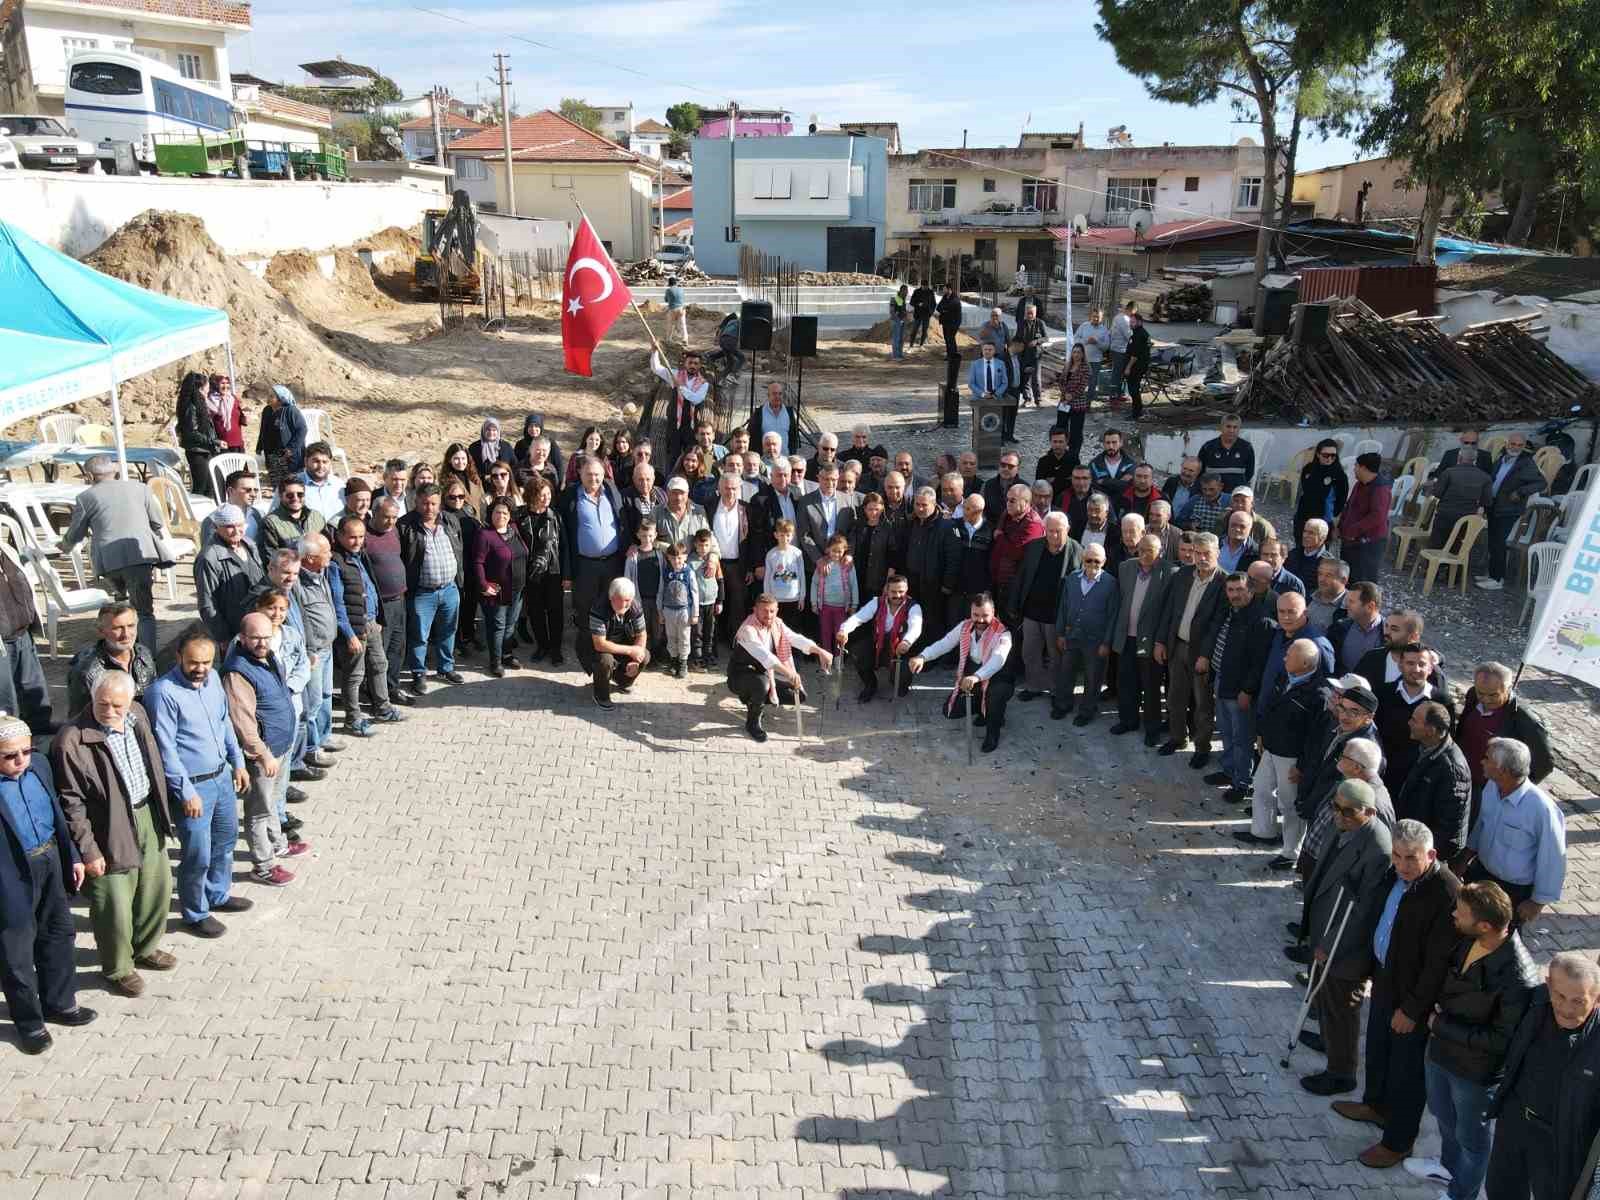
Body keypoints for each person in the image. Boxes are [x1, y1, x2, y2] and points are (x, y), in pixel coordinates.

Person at [1334, 820, 1461, 1169]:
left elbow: (1437, 965)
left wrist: (1412, 1009)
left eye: (1411, 858)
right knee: (1378, 1048)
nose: (1402, 865)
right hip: (1385, 980)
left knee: (1407, 1072)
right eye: (1397, 855)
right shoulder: (1396, 875)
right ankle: (1376, 1105)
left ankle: (1398, 1141)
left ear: (1431, 855)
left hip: (1412, 997)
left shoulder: (1446, 892)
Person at [1409, 880, 1539, 1196]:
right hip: (1441, 1054)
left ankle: (1460, 1193)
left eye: (1461, 912)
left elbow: (1501, 1041)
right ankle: (1448, 1168)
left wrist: (1439, 1024)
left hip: (1474, 1074)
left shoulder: (1518, 978)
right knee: (1443, 1117)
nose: (1454, 914)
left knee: (1473, 1143)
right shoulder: (1468, 938)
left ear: (1484, 925)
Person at [52, 670, 174, 998]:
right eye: (102, 703)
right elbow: (71, 803)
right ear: (92, 698)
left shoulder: (137, 715)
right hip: (106, 826)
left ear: (130, 701)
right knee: (113, 904)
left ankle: (146, 947)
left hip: (146, 812)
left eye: (117, 705)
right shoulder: (71, 740)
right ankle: (118, 968)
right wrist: (89, 851)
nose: (109, 711)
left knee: (157, 887)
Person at [1295, 778, 1395, 1096]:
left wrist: (1328, 944)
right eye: (1336, 808)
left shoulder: (1378, 849)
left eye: (1348, 811)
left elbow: (1363, 912)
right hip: (1325, 924)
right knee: (1326, 997)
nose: (1339, 815)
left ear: (1369, 811)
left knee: (1341, 1005)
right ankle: (1328, 1040)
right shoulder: (1343, 825)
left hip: (1346, 944)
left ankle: (1341, 1073)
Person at [0, 715, 90, 1053]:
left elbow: (57, 814)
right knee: (17, 953)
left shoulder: (39, 765)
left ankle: (60, 1003)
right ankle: (30, 1023)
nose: (21, 760)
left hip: (50, 859)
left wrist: (73, 857)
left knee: (58, 933)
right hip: (10, 874)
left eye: (26, 751)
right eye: (10, 755)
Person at [1484, 952, 1600, 1200]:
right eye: (1560, 996)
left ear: (1597, 999)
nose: (1567, 1009)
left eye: (1578, 1001)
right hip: (1514, 1121)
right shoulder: (1533, 1003)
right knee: (1499, 1190)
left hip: (1559, 1140)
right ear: (1548, 985)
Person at [223, 612, 309, 888]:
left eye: (266, 637)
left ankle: (277, 844)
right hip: (264, 754)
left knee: (271, 802)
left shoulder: (268, 656)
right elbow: (243, 722)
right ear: (242, 637)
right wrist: (263, 754)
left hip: (280, 745)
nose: (262, 643)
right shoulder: (237, 671)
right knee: (258, 810)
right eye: (255, 638)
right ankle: (263, 866)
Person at [59, 456, 166, 655]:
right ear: (114, 471)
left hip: (109, 562)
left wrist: (62, 546)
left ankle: (122, 652)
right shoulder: (140, 488)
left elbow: (75, 535)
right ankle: (148, 657)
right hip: (139, 557)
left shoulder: (86, 497)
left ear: (89, 475)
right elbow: (157, 523)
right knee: (144, 612)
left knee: (120, 607)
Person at [1461, 737, 1566, 926]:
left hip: (1513, 891)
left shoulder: (1542, 809)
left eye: (1487, 758)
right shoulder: (1492, 787)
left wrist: (1537, 902)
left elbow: (1552, 858)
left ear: (1503, 771)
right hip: (1482, 875)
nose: (1482, 762)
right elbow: (1481, 825)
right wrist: (1465, 856)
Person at [1240, 638, 1329, 852]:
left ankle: (1290, 852)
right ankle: (1263, 832)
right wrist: (1262, 734)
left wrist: (1302, 766)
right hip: (1271, 749)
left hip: (1292, 758)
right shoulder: (1284, 677)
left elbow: (1315, 737)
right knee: (1261, 789)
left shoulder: (1318, 694)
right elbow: (1270, 707)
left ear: (1305, 664)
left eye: (1290, 656)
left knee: (1289, 805)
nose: (1284, 658)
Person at [908, 593, 1015, 754]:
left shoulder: (1004, 633)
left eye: (985, 615)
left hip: (998, 678)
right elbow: (945, 643)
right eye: (976, 615)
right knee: (951, 711)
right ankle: (983, 709)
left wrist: (976, 677)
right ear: (971, 613)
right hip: (975, 677)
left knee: (995, 696)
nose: (980, 620)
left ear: (993, 613)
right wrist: (923, 656)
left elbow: (997, 661)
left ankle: (993, 731)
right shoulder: (965, 626)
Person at [1156, 531, 1224, 767]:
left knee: (1203, 705)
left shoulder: (1223, 582)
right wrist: (1160, 641)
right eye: (1198, 553)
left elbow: (1217, 624)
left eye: (1207, 553)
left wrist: (1205, 655)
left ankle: (1202, 748)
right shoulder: (1183, 574)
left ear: (1217, 553)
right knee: (1175, 697)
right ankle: (1178, 738)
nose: (1202, 558)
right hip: (1177, 646)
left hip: (1201, 654)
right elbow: (1169, 610)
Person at [1207, 572, 1275, 798]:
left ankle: (1242, 783)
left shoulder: (1261, 620)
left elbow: (1259, 663)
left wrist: (1247, 690)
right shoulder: (1231, 611)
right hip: (1222, 681)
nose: (1234, 594)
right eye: (1230, 590)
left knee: (1242, 739)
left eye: (1240, 590)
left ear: (1251, 591)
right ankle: (1229, 771)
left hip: (1240, 691)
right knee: (1226, 732)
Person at [728, 593, 832, 741]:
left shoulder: (777, 623)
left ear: (776, 610)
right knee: (762, 685)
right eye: (764, 611)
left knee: (798, 694)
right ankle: (752, 722)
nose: (768, 615)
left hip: (764, 671)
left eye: (772, 611)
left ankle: (753, 700)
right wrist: (788, 673)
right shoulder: (748, 630)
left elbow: (795, 638)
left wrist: (820, 651)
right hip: (739, 675)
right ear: (755, 610)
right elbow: (765, 656)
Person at [1456, 661, 1554, 815]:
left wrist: (1512, 788)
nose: (1486, 700)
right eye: (1481, 693)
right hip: (1461, 778)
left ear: (1508, 689)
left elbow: (1544, 763)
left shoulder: (1525, 719)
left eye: (1493, 695)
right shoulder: (1473, 696)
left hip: (1489, 790)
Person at [396, 483, 466, 692]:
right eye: (425, 503)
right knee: (419, 635)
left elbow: (459, 551)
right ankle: (419, 672)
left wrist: (460, 581)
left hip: (449, 589)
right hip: (422, 592)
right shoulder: (405, 525)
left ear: (440, 502)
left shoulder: (450, 521)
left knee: (448, 631)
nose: (429, 508)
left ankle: (446, 667)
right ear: (416, 502)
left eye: (434, 503)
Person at [328, 515, 393, 737]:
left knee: (380, 665)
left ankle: (383, 708)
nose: (357, 541)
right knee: (354, 675)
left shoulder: (360, 556)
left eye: (361, 536)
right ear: (340, 536)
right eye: (352, 537)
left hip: (371, 623)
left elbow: (369, 588)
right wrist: (349, 635)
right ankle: (352, 719)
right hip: (354, 629)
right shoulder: (336, 563)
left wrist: (377, 619)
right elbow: (338, 604)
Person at [1109, 532, 1175, 744]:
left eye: (1150, 551)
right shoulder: (1125, 567)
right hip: (1126, 636)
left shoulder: (1170, 572)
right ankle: (1128, 720)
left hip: (1151, 640)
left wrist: (1161, 641)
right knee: (1126, 682)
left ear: (1160, 552)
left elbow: (1169, 612)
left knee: (1151, 686)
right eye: (1142, 550)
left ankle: (1152, 728)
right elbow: (1119, 600)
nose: (1145, 554)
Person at [1395, 700, 1473, 864]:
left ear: (1430, 730)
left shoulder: (1451, 769)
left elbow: (1448, 829)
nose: (1409, 723)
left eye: (1414, 720)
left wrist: (1418, 855)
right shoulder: (1423, 748)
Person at [1375, 642, 1458, 794]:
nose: (1416, 669)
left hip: (1420, 779)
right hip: (1382, 772)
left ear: (1431, 668)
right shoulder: (1383, 693)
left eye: (1422, 664)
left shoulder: (1443, 701)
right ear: (1400, 666)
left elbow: (1446, 742)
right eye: (1410, 663)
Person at [1052, 542, 1118, 725]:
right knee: (1066, 672)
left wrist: (1107, 643)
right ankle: (1063, 704)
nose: (1092, 564)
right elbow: (1063, 607)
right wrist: (1060, 633)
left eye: (1097, 561)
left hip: (1096, 640)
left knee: (1093, 677)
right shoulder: (1072, 579)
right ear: (1083, 559)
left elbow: (1113, 615)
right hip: (1072, 635)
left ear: (1104, 561)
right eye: (1089, 560)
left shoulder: (1111, 583)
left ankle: (1087, 710)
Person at [1477, 432, 1547, 591]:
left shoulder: (1526, 462)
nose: (1515, 447)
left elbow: (1541, 483)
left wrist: (1521, 492)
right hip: (1494, 505)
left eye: (1519, 445)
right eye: (1513, 444)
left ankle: (1497, 579)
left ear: (1523, 447)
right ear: (1507, 443)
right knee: (1493, 541)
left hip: (1509, 509)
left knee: (1499, 542)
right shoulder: (1501, 458)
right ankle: (1492, 574)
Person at [837, 573, 921, 702]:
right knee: (858, 652)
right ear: (887, 589)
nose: (898, 595)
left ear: (907, 590)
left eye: (901, 592)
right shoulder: (877, 602)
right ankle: (870, 684)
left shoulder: (913, 607)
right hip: (879, 643)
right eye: (893, 591)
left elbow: (915, 627)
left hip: (901, 646)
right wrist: (844, 630)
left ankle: (900, 682)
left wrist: (906, 642)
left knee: (902, 679)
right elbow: (858, 618)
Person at [66, 602, 154, 720]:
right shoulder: (86, 673)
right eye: (117, 628)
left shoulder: (144, 655)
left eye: (131, 626)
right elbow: (79, 719)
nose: (126, 634)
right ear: (101, 631)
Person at [471, 497, 528, 677]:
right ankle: (495, 661)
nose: (501, 516)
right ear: (491, 513)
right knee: (498, 626)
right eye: (497, 512)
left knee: (511, 624)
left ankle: (507, 654)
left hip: (517, 588)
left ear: (510, 515)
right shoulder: (484, 534)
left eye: (505, 513)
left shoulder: (514, 529)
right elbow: (478, 562)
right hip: (497, 590)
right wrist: (483, 585)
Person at [195, 504, 266, 647]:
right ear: (216, 527)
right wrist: (223, 637)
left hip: (258, 627)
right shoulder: (209, 558)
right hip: (233, 630)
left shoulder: (249, 545)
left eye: (239, 525)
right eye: (229, 526)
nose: (236, 531)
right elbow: (207, 603)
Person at [515, 477, 567, 666]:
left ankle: (555, 648)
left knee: (555, 611)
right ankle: (542, 646)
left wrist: (567, 575)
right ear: (531, 495)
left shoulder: (555, 516)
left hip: (553, 572)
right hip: (530, 573)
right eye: (542, 495)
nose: (547, 498)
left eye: (548, 494)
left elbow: (564, 547)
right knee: (535, 612)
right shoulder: (520, 517)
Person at [587, 577, 649, 710]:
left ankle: (624, 681)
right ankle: (601, 695)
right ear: (611, 597)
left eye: (628, 600)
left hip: (622, 644)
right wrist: (630, 651)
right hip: (598, 648)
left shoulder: (635, 606)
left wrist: (636, 659)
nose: (625, 604)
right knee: (605, 660)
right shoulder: (598, 609)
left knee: (645, 654)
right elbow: (599, 644)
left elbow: (642, 634)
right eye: (621, 600)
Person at [1341, 453, 1392, 583]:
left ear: (1363, 468)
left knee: (1363, 580)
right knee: (1348, 576)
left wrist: (1353, 531)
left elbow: (1377, 516)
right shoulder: (1360, 484)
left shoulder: (1380, 489)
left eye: (1356, 466)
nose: (1354, 469)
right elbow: (1350, 505)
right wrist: (1341, 525)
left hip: (1368, 543)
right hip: (1351, 540)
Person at [1429, 450, 1493, 551]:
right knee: (1456, 546)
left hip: (1445, 515)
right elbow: (1487, 501)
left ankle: (1434, 560)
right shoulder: (1486, 477)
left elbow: (1437, 493)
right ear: (1475, 460)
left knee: (1436, 544)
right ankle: (1451, 560)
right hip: (1467, 518)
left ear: (1459, 458)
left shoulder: (1449, 472)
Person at [177, 370, 226, 498]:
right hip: (198, 452)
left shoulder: (198, 404)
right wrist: (214, 441)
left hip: (204, 450)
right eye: (207, 387)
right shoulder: (191, 406)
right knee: (203, 488)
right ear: (200, 389)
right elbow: (191, 433)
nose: (208, 390)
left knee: (212, 486)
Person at [1293, 439, 1349, 543]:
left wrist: (1333, 518)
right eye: (1325, 455)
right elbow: (1305, 489)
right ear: (1318, 454)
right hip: (1304, 516)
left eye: (1333, 456)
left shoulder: (1339, 475)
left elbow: (1341, 499)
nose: (1329, 458)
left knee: (1319, 549)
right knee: (1300, 546)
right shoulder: (1308, 469)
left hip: (1324, 521)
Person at [259, 475, 326, 560]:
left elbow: (327, 548)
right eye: (290, 495)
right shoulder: (270, 523)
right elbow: (271, 558)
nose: (295, 498)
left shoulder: (316, 517)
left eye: (300, 494)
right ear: (280, 496)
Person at [256, 383, 307, 485]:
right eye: (268, 395)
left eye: (272, 396)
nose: (268, 398)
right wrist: (259, 446)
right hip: (272, 454)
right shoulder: (267, 410)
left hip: (289, 455)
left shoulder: (291, 411)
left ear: (280, 399)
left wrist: (291, 449)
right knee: (277, 484)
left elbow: (302, 430)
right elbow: (263, 430)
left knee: (292, 483)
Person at [1330, 580, 1384, 674]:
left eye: (1351, 601)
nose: (1346, 605)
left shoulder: (1389, 633)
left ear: (1370, 606)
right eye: (1347, 601)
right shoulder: (1339, 628)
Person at [1198, 414, 1255, 495]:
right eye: (1228, 426)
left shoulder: (1246, 447)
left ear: (1239, 429)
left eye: (1235, 427)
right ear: (1221, 427)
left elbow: (1249, 472)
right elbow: (1200, 471)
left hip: (1236, 495)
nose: (1231, 430)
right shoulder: (1208, 447)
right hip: (1212, 495)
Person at [297, 442, 345, 521]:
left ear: (330, 463)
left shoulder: (339, 485)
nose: (321, 466)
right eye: (316, 461)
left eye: (325, 462)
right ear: (306, 461)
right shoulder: (292, 485)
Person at [1015, 302, 1047, 414]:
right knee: (1025, 378)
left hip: (1036, 355)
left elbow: (1046, 338)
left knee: (1036, 378)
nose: (1029, 315)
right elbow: (1017, 337)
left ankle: (1038, 400)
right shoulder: (1021, 323)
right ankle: (1027, 399)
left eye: (1031, 313)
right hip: (1024, 354)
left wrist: (1037, 341)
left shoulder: (1040, 323)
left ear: (1035, 313)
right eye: (1028, 313)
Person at [1288, 516, 1335, 589]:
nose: (1305, 535)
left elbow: (1324, 590)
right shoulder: (1293, 554)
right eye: (1305, 531)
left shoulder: (1328, 563)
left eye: (1311, 533)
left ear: (1322, 537)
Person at [1073, 307, 1109, 403]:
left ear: (1102, 318)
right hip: (1083, 359)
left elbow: (1106, 347)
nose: (1096, 319)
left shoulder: (1104, 330)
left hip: (1096, 361)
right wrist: (1086, 341)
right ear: (1091, 316)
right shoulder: (1084, 326)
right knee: (1080, 381)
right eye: (1094, 316)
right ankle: (1077, 399)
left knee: (1093, 382)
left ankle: (1088, 401)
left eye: (1098, 317)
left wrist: (1097, 343)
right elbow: (1075, 339)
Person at [208, 372, 246, 453]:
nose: (225, 386)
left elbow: (239, 418)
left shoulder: (233, 398)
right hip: (221, 445)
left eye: (227, 383)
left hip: (238, 443)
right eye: (222, 383)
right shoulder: (209, 401)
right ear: (216, 384)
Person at [1123, 311, 1151, 420]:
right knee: (1134, 389)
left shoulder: (1139, 335)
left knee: (1133, 390)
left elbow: (1134, 355)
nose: (1130, 324)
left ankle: (1136, 413)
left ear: (1139, 322)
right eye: (1130, 322)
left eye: (1133, 322)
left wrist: (1128, 368)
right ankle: (1137, 410)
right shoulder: (1139, 333)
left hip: (1136, 367)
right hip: (1139, 366)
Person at [1106, 301, 1133, 400]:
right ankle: (1114, 394)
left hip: (1115, 348)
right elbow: (1129, 336)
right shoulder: (1124, 319)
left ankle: (1117, 393)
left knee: (1117, 372)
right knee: (1118, 373)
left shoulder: (1117, 317)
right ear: (1131, 310)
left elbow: (1110, 332)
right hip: (1120, 350)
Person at [967, 340, 1009, 405]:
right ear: (982, 351)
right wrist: (983, 394)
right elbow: (971, 383)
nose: (987, 351)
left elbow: (1004, 382)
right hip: (979, 398)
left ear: (994, 351)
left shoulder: (1001, 364)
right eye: (985, 349)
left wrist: (996, 394)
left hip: (996, 399)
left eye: (990, 350)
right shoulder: (975, 364)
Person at [936, 284, 964, 358]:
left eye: (944, 289)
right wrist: (944, 310)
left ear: (949, 289)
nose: (943, 290)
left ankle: (953, 355)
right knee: (947, 338)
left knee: (950, 338)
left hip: (954, 322)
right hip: (945, 322)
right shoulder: (945, 297)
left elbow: (950, 309)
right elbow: (938, 307)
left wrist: (944, 309)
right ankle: (950, 354)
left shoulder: (955, 299)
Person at [664, 274, 687, 341]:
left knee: (670, 324)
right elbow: (683, 297)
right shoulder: (681, 289)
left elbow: (666, 300)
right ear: (676, 283)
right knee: (683, 325)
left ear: (669, 284)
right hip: (682, 308)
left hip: (673, 309)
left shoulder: (668, 290)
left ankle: (668, 339)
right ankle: (685, 339)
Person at [889, 283, 908, 360]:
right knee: (896, 338)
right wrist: (897, 319)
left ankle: (900, 354)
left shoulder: (903, 299)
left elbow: (903, 310)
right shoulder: (895, 298)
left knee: (901, 338)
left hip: (902, 320)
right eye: (906, 291)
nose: (907, 293)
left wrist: (905, 317)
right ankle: (895, 355)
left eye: (907, 291)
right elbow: (892, 311)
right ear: (902, 291)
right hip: (897, 321)